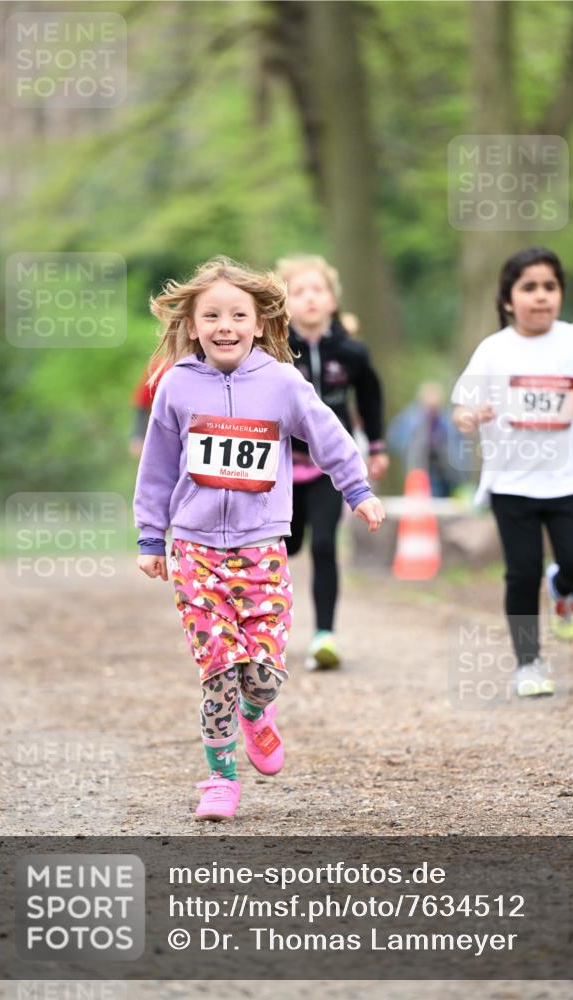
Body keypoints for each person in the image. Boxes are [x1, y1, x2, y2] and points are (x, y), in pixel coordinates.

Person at [133, 257, 385, 820]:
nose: (225, 325)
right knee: (218, 669)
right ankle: (220, 779)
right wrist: (152, 538)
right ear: (193, 325)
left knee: (263, 674)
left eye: (238, 315)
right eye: (212, 315)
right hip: (195, 549)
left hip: (261, 547)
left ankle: (256, 713)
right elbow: (156, 468)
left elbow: (328, 434)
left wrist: (357, 490)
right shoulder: (176, 386)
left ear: (261, 321)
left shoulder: (280, 381)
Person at [451, 246, 573, 698]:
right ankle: (528, 663)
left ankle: (564, 586)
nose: (540, 297)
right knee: (521, 572)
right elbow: (461, 408)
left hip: (567, 479)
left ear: (560, 294)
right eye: (529, 287)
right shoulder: (494, 350)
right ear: (508, 300)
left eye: (549, 287)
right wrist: (471, 417)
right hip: (511, 482)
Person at [276, 255, 389, 671]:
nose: (309, 298)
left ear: (332, 301)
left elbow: (371, 397)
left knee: (324, 545)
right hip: (282, 466)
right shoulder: (274, 350)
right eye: (298, 291)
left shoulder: (352, 352)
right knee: (286, 546)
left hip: (330, 467)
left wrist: (376, 446)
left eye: (317, 290)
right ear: (284, 303)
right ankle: (265, 631)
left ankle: (324, 635)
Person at [387, 381, 466, 496]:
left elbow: (458, 446)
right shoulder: (410, 418)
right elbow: (395, 439)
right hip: (418, 472)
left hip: (443, 474)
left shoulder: (446, 419)